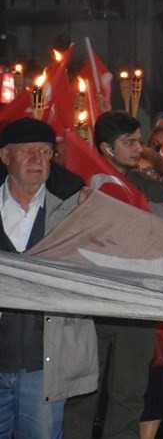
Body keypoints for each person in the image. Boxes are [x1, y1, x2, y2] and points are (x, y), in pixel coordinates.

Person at [64, 111, 163, 439]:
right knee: (82, 393)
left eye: (139, 140)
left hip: (136, 305)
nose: (139, 148)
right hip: (91, 301)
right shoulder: (77, 182)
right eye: (130, 142)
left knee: (129, 394)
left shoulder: (150, 188)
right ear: (107, 148)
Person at [0, 118, 98, 438]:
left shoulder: (74, 208)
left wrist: (90, 221)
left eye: (44, 152)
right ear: (5, 157)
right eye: (27, 151)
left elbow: (100, 268)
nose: (37, 160)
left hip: (45, 364)